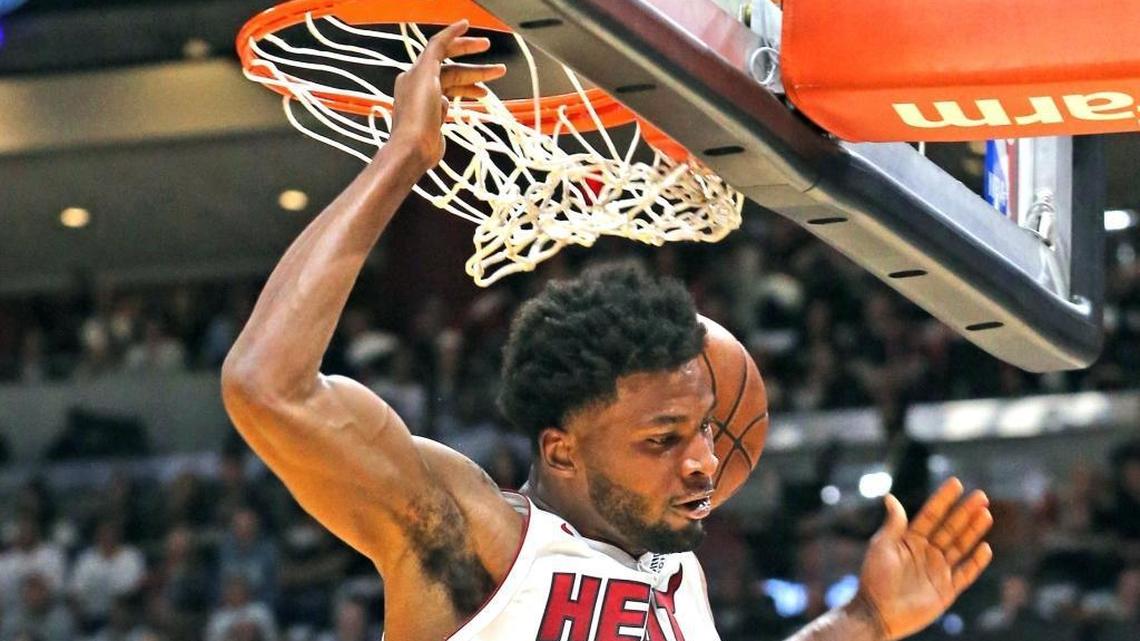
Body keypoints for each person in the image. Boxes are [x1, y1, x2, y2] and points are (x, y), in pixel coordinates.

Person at [221, 21, 994, 641]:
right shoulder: (478, 538)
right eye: (662, 438)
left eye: (701, 431)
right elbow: (268, 383)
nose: (701, 463)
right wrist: (403, 158)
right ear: (561, 447)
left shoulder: (671, 574)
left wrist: (867, 619)